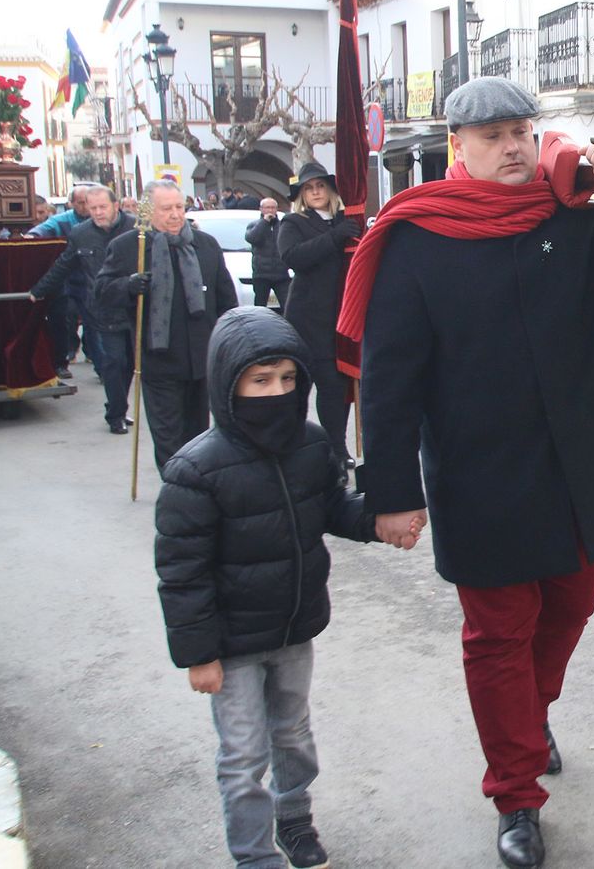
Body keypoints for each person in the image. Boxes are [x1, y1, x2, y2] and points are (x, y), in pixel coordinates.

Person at [345, 76, 594, 869]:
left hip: (583, 466)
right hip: (481, 475)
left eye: (523, 131)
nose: (513, 147)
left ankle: (529, 719)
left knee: (570, 607)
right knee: (498, 636)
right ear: (456, 146)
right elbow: (389, 379)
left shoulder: (570, 208)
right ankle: (517, 794)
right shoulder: (417, 236)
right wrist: (391, 494)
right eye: (494, 135)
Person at [155, 306, 405, 869]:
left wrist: (378, 521)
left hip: (294, 627)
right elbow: (182, 572)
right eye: (260, 380)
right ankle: (253, 853)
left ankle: (294, 818)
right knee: (243, 754)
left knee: (292, 733)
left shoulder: (312, 446)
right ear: (228, 383)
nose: (277, 392)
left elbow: (332, 509)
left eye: (289, 379)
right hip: (231, 644)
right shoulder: (194, 471)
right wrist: (199, 655)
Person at [97, 179, 238, 472]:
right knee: (168, 436)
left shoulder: (205, 245)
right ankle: (177, 489)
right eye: (166, 209)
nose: (175, 214)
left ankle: (199, 485)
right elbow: (101, 292)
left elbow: (226, 301)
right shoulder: (129, 247)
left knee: (199, 434)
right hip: (158, 359)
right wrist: (129, 286)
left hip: (201, 358)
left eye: (179, 207)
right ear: (149, 212)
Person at [30, 186, 138, 432]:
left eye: (103, 207)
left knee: (129, 363)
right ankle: (116, 415)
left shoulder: (135, 228)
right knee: (113, 361)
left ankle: (117, 406)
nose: (98, 213)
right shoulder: (81, 233)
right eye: (93, 208)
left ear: (115, 206)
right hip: (102, 308)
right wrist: (39, 290)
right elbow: (64, 265)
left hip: (133, 306)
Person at [278, 164, 359, 473]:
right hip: (307, 318)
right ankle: (293, 442)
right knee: (300, 384)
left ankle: (336, 447)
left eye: (321, 186)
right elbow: (293, 257)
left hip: (339, 316)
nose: (315, 192)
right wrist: (334, 239)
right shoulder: (294, 222)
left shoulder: (344, 220)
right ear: (301, 194)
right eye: (309, 188)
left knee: (335, 387)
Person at [29, 184, 94, 375]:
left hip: (92, 280)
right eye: (80, 203)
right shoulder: (61, 221)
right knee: (66, 318)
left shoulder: (99, 219)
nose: (85, 207)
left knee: (94, 324)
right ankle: (64, 358)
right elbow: (40, 232)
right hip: (68, 281)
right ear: (71, 203)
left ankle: (100, 364)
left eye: (87, 202)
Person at [246, 198, 290, 309]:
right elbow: (252, 238)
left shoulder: (283, 226)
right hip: (261, 274)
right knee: (260, 307)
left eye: (273, 207)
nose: (270, 210)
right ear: (261, 209)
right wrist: (264, 222)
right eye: (267, 207)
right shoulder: (254, 225)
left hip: (281, 274)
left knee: (287, 305)